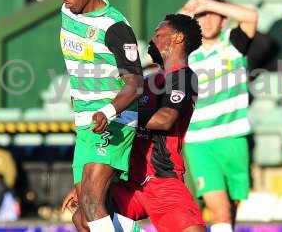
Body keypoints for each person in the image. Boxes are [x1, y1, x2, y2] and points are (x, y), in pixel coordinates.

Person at [67, 13, 205, 232]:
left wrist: (119, 112)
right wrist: (89, 184)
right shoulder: (147, 80)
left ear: (178, 38)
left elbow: (165, 119)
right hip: (130, 180)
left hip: (161, 177)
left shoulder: (184, 77)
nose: (152, 40)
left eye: (159, 34)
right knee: (83, 217)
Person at [58, 0, 143, 232]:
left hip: (113, 120)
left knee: (93, 202)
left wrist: (107, 111)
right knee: (82, 217)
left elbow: (135, 83)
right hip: (85, 123)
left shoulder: (116, 27)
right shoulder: (67, 11)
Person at [181, 0, 258, 232]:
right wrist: (190, 8)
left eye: (211, 15)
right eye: (201, 16)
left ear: (223, 19)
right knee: (220, 210)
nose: (206, 20)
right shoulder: (186, 52)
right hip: (199, 142)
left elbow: (251, 16)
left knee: (231, 211)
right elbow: (162, 35)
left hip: (234, 137)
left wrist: (209, 4)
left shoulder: (233, 43)